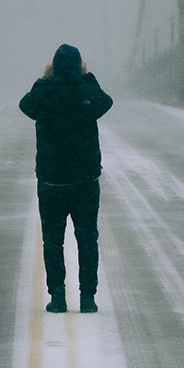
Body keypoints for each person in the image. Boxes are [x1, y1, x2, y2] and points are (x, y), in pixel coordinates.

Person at [19, 44, 114, 314]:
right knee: (87, 239)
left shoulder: (45, 92)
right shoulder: (85, 91)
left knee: (52, 240)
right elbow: (105, 102)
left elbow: (25, 105)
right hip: (85, 180)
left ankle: (58, 298)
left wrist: (46, 79)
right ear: (79, 68)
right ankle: (88, 299)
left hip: (51, 181)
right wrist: (86, 77)